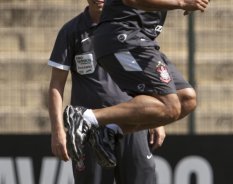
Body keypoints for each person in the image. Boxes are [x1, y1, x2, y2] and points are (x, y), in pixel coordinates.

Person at [63, 0, 203, 167]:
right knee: (170, 106)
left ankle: (109, 131)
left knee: (186, 99)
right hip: (123, 40)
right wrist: (180, 3)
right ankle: (86, 117)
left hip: (140, 43)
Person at [48, 0, 166, 183]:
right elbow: (56, 84)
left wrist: (156, 117)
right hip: (90, 129)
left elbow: (146, 73)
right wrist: (57, 130)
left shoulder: (129, 26)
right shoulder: (71, 31)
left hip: (132, 122)